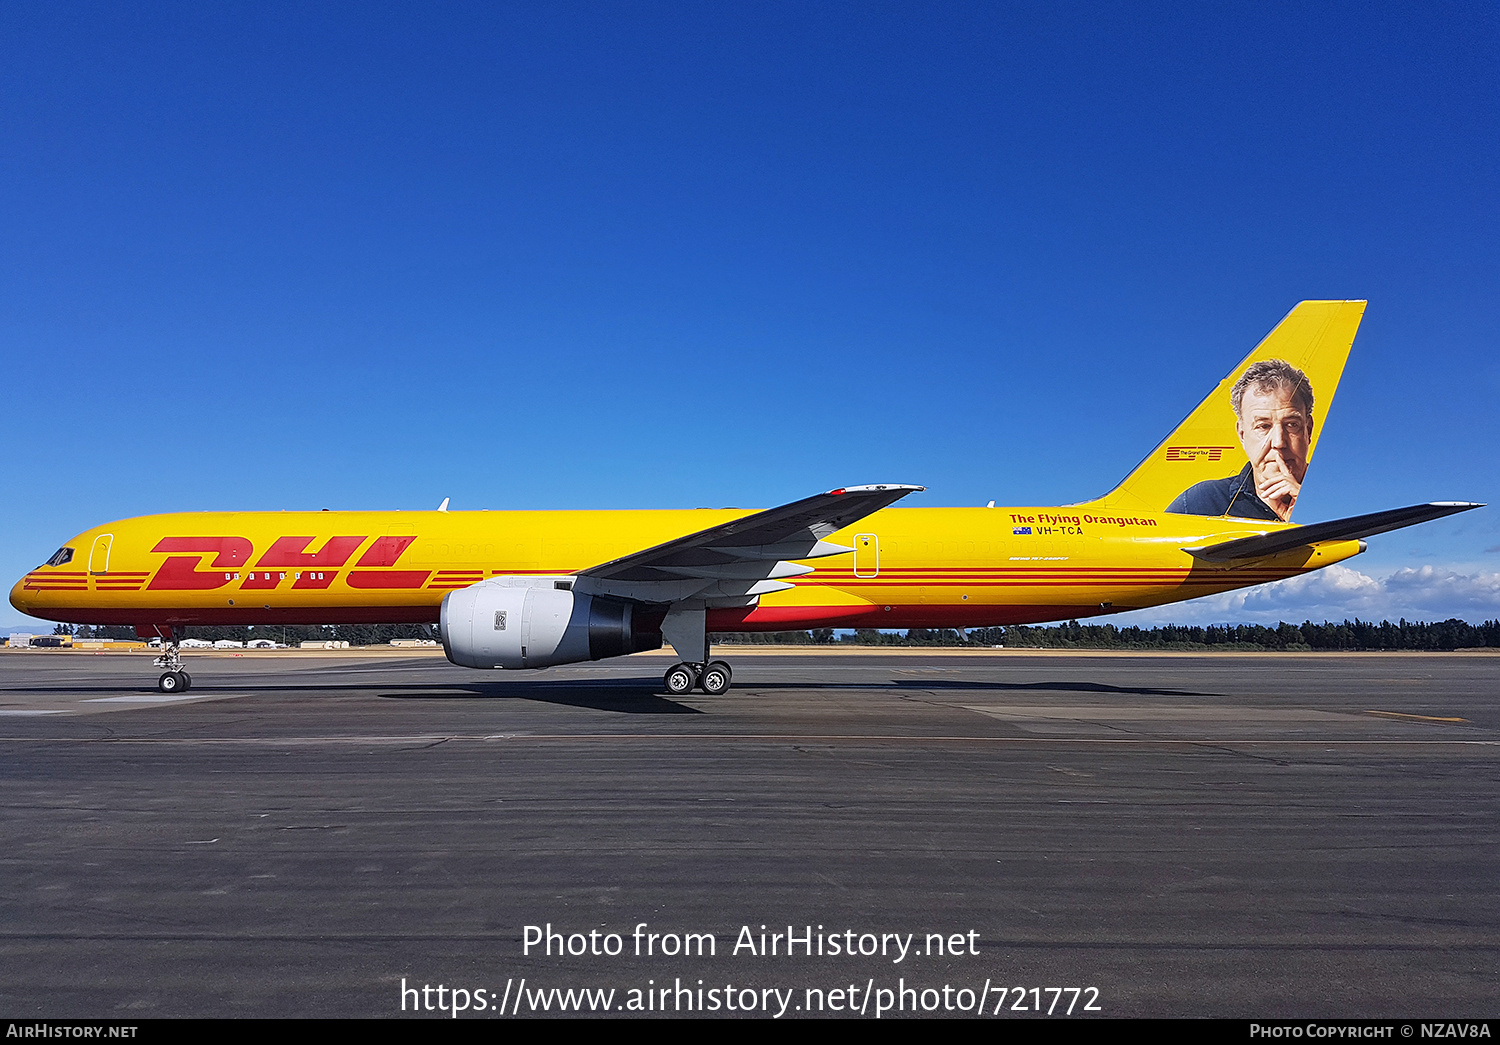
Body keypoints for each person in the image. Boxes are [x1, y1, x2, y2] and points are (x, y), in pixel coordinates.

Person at [1167, 358, 1313, 522]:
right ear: (1242, 434)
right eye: (1263, 426)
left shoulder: (1341, 501)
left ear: (1308, 430)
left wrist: (1311, 511)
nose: (1279, 442)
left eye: (1292, 425)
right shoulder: (1201, 505)